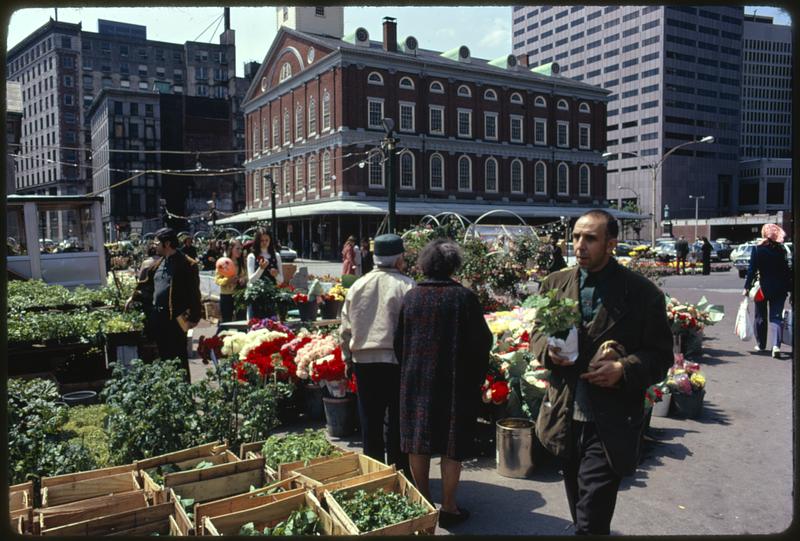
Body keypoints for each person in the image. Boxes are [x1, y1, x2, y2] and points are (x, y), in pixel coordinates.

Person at [528, 209, 673, 535]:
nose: (579, 245)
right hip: (564, 415)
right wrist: (548, 352)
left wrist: (624, 368)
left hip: (611, 421)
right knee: (580, 505)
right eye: (576, 237)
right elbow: (536, 334)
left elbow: (661, 356)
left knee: (591, 515)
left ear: (611, 244)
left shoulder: (642, 293)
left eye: (590, 238)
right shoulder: (555, 283)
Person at [395, 239, 492, 528]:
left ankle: (424, 502)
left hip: (416, 379)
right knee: (453, 443)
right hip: (454, 381)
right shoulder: (464, 298)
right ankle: (449, 506)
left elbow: (398, 342)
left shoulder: (412, 297)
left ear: (425, 264)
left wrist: (411, 366)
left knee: (417, 440)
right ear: (452, 266)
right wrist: (476, 376)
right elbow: (483, 341)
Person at [339, 234, 416, 478]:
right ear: (398, 258)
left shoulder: (358, 285)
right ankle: (399, 474)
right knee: (397, 423)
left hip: (364, 362)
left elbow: (345, 328)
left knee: (370, 423)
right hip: (396, 362)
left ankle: (373, 476)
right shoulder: (407, 285)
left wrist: (346, 359)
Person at [125, 227, 202, 381]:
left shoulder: (188, 264)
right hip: (159, 318)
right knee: (164, 357)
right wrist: (133, 297)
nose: (155, 246)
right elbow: (147, 285)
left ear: (167, 244)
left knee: (179, 359)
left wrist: (193, 319)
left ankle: (184, 395)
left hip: (176, 320)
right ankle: (169, 391)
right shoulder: (158, 264)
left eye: (157, 243)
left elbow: (194, 294)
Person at [744, 223, 793, 358]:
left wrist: (747, 287)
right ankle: (776, 345)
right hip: (780, 289)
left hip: (762, 288)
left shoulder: (757, 249)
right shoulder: (781, 250)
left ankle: (761, 345)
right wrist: (791, 289)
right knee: (776, 317)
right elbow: (787, 271)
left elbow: (751, 270)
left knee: (760, 315)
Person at [246, 228, 284, 320]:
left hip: (271, 297)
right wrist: (261, 269)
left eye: (267, 240)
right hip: (256, 297)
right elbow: (251, 279)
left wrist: (276, 275)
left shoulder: (276, 256)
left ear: (270, 240)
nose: (264, 242)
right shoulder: (252, 256)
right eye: (261, 240)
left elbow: (281, 280)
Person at [215, 239, 247, 325]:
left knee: (241, 322)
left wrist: (243, 280)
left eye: (241, 249)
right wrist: (228, 280)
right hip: (226, 296)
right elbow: (217, 280)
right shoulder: (223, 262)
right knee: (226, 323)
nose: (240, 251)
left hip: (240, 295)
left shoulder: (243, 262)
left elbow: (247, 276)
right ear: (231, 248)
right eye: (237, 248)